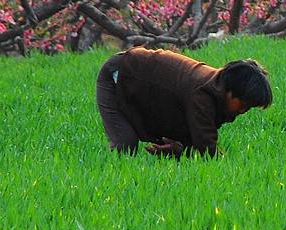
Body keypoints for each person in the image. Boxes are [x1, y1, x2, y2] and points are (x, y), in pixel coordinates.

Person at [95, 47, 272, 157]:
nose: (243, 110)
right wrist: (231, 168)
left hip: (141, 83)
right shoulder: (203, 94)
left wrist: (179, 149)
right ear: (230, 91)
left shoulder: (215, 87)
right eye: (243, 104)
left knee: (174, 149)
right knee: (125, 145)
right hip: (119, 75)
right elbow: (205, 146)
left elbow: (192, 134)